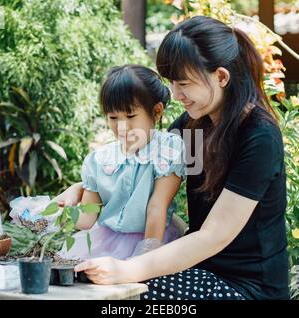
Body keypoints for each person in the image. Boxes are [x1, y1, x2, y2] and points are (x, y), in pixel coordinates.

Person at [55, 16, 289, 300]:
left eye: (184, 83)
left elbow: (214, 235)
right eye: (171, 83)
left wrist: (127, 271)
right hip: (199, 269)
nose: (175, 94)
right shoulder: (191, 127)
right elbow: (141, 168)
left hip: (248, 288)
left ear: (221, 77)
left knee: (133, 295)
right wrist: (81, 187)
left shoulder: (258, 136)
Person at [57, 64, 186, 261]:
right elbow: (87, 217)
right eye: (113, 117)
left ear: (157, 111)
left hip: (153, 237)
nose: (122, 126)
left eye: (131, 115)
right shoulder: (99, 159)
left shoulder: (168, 150)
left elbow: (156, 207)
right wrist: (57, 213)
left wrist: (145, 260)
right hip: (105, 241)